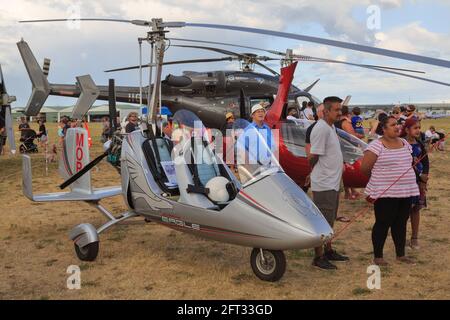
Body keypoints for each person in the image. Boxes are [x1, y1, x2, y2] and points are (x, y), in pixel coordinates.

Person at [361, 116, 419, 266]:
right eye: (393, 125)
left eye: (398, 124)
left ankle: (400, 254)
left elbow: (409, 162)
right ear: (384, 129)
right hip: (385, 193)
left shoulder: (405, 143)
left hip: (405, 191)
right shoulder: (376, 145)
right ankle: (378, 256)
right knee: (383, 222)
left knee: (401, 222)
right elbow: (365, 168)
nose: (397, 127)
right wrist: (380, 181)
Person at [309, 96, 349, 270]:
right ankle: (318, 257)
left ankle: (328, 249)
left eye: (341, 109)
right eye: (337, 109)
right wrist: (310, 173)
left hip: (332, 181)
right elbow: (313, 156)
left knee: (330, 219)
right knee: (322, 221)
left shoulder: (330, 127)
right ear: (326, 111)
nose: (340, 112)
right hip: (324, 183)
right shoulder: (321, 129)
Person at [401, 118, 429, 250]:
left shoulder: (420, 144)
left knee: (416, 210)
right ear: (406, 130)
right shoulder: (400, 143)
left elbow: (426, 162)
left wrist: (424, 178)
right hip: (404, 183)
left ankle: (415, 237)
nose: (418, 130)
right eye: (415, 128)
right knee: (403, 211)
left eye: (419, 127)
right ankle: (402, 238)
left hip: (418, 183)